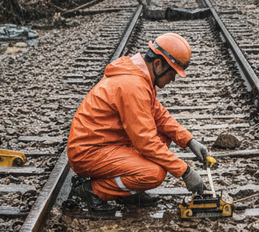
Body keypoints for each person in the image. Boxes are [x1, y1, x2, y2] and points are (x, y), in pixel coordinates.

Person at [67, 33, 208, 210]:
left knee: (163, 135)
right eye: (172, 73)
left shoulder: (140, 77)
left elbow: (160, 116)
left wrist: (189, 141)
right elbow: (146, 142)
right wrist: (185, 172)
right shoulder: (133, 85)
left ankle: (125, 191)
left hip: (103, 144)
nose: (173, 79)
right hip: (88, 153)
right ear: (157, 64)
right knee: (153, 174)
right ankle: (94, 191)